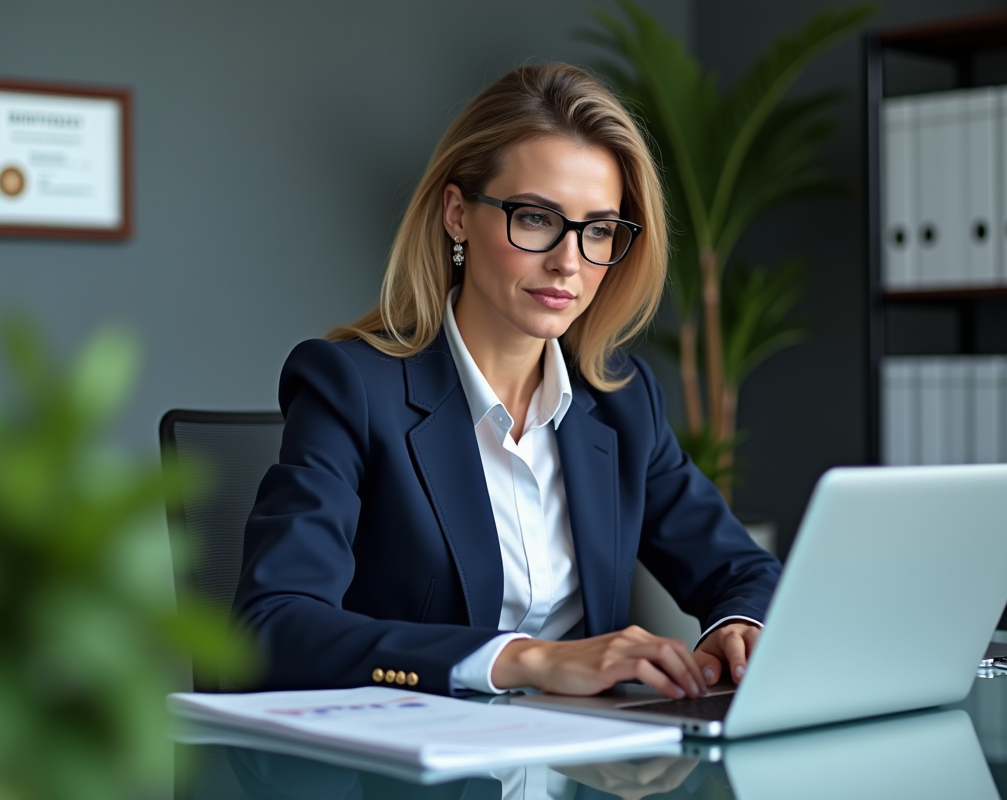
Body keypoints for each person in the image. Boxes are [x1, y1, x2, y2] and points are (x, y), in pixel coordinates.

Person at [232, 63, 782, 700]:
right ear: (457, 214)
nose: (568, 262)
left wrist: (740, 625)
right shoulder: (350, 388)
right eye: (536, 218)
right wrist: (525, 660)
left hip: (584, 767)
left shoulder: (620, 401)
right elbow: (273, 628)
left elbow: (742, 570)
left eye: (599, 230)